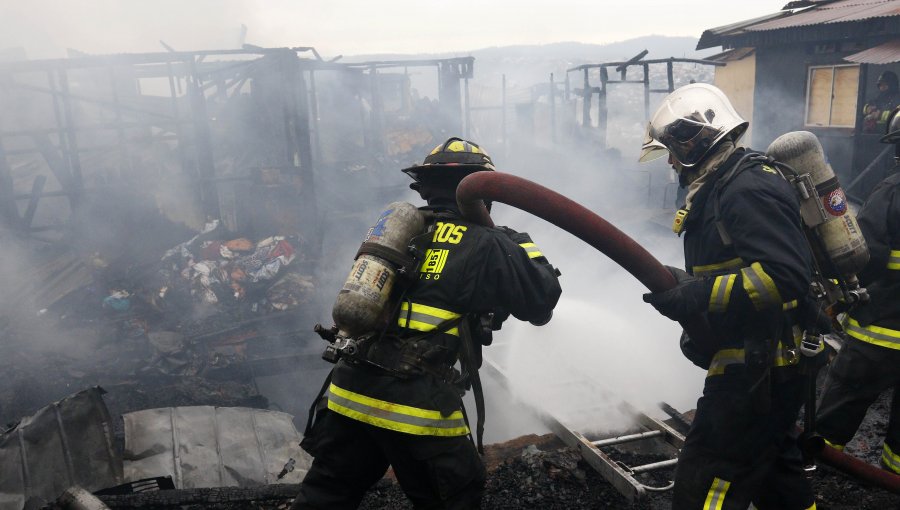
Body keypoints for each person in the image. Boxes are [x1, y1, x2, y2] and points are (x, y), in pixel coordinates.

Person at [291, 137, 562, 509]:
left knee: (327, 493)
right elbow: (541, 299)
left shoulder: (402, 230)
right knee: (455, 497)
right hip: (416, 407)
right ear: (487, 191)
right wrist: (517, 242)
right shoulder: (489, 243)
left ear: (426, 187)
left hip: (349, 391)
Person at [639, 83, 818, 509]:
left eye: (671, 149)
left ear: (695, 140)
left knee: (707, 481)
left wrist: (699, 296)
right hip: (763, 362)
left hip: (759, 368)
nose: (669, 161)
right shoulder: (724, 185)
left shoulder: (745, 188)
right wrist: (692, 297)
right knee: (777, 476)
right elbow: (737, 270)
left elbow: (785, 277)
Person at [816, 106, 900, 475]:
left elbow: (865, 257)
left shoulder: (892, 191)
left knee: (845, 398)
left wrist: (841, 294)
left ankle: (816, 465)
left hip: (881, 331)